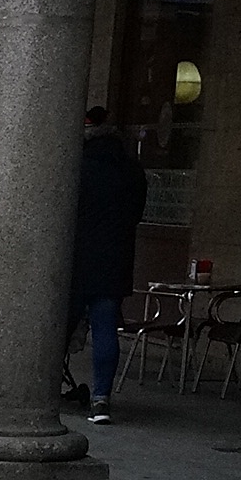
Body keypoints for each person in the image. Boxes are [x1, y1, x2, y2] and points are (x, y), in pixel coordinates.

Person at [69, 108, 147, 425]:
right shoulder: (132, 170)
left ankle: (42, 387)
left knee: (57, 326)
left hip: (75, 259)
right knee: (105, 329)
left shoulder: (77, 166)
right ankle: (101, 399)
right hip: (114, 259)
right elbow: (136, 214)